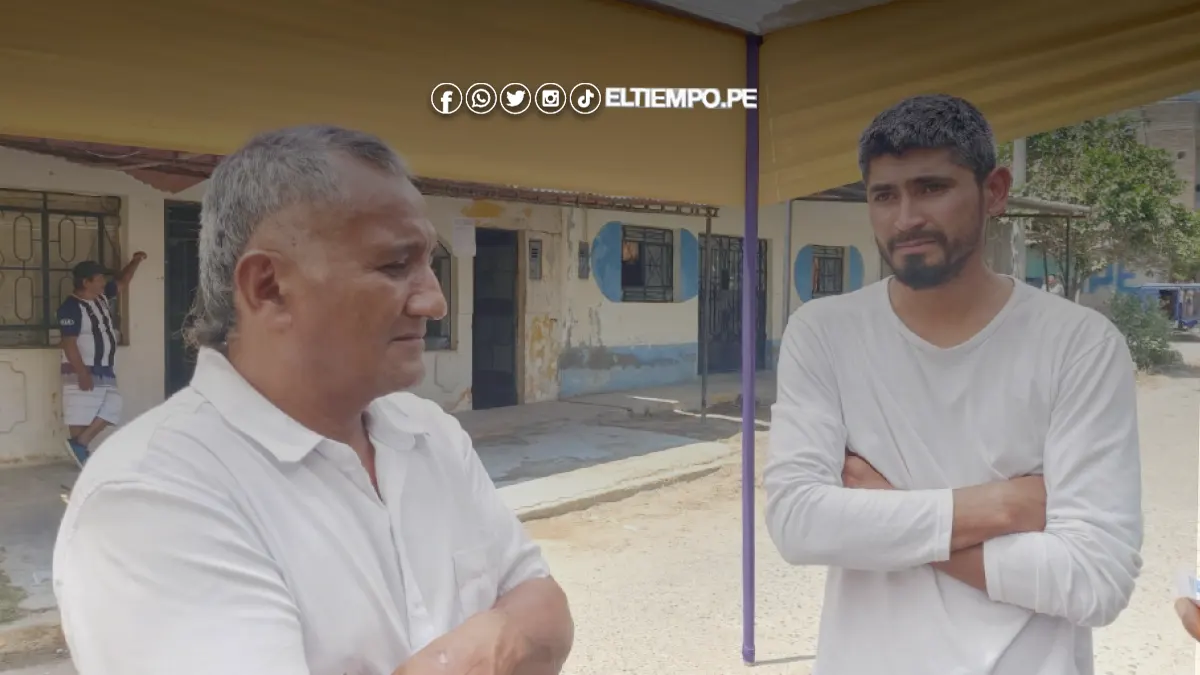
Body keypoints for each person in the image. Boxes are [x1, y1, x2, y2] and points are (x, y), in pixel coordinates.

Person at [53, 126, 574, 675]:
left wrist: (487, 644)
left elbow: (544, 603)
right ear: (267, 287)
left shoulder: (429, 433)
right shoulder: (153, 497)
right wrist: (493, 643)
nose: (434, 301)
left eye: (429, 265)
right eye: (395, 266)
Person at [764, 95, 1142, 674]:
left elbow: (1095, 580)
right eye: (884, 195)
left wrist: (882, 513)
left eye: (931, 188)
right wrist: (1001, 506)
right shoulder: (825, 334)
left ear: (995, 190)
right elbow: (798, 523)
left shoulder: (1078, 344)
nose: (905, 218)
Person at [57, 254, 146, 466]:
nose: (103, 282)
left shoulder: (101, 296)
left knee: (114, 404)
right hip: (81, 368)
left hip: (104, 367)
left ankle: (80, 444)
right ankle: (80, 454)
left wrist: (136, 261)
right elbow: (69, 343)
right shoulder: (71, 307)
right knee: (79, 412)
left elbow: (123, 282)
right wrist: (82, 373)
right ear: (86, 282)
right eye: (98, 279)